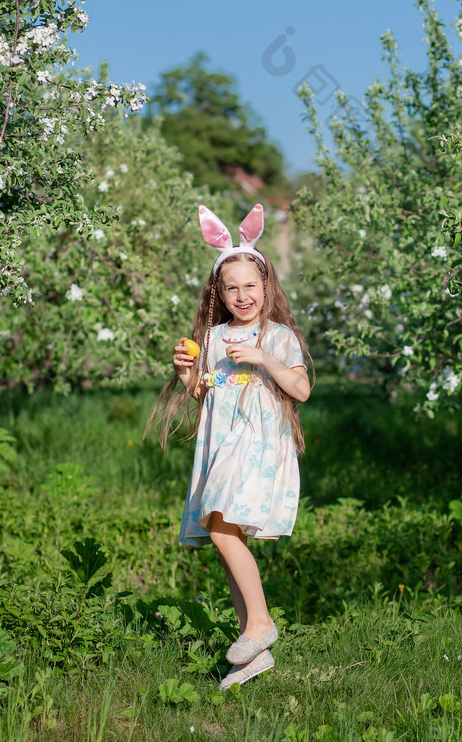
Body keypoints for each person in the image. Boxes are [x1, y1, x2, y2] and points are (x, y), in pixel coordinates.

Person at [146, 202, 314, 690]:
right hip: (223, 448)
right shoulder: (214, 337)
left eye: (250, 286)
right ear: (218, 291)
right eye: (232, 287)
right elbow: (206, 393)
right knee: (224, 537)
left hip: (257, 447)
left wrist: (263, 357)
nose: (242, 295)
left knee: (221, 531)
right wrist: (185, 374)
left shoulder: (277, 336)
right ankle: (253, 651)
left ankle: (260, 624)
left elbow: (300, 390)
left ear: (266, 288)